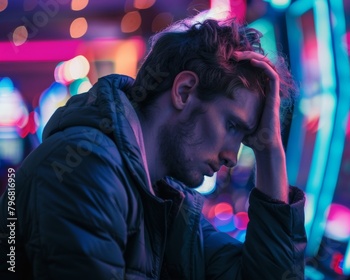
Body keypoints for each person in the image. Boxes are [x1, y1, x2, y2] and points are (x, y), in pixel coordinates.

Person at [0, 15, 306, 280]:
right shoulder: (84, 171)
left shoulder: (166, 194)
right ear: (184, 91)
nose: (232, 157)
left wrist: (270, 151)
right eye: (231, 126)